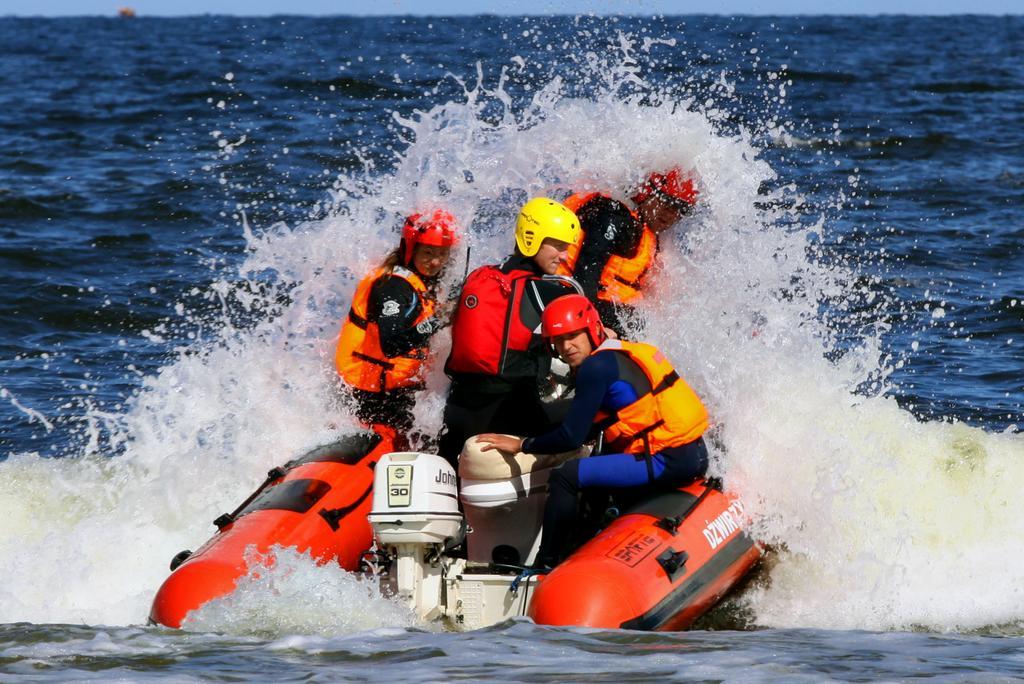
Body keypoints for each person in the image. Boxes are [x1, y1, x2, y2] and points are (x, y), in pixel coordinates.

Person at [476, 293, 710, 568]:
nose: (566, 347)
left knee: (566, 476)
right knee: (597, 462)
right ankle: (592, 538)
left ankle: (545, 564)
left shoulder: (595, 367)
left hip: (667, 461)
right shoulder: (620, 353)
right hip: (695, 454)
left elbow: (571, 437)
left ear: (592, 330)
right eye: (558, 340)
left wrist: (522, 444)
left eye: (573, 336)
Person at [438, 198, 582, 466]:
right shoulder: (550, 290)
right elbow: (593, 339)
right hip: (509, 417)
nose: (564, 256)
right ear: (532, 239)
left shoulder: (477, 277)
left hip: (457, 414)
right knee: (599, 409)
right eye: (559, 247)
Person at [336, 209, 459, 433]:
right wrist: (437, 321)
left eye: (442, 254)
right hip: (371, 395)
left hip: (401, 389)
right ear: (410, 250)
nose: (436, 262)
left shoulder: (426, 280)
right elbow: (391, 345)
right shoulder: (393, 287)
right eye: (428, 253)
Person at [557, 168, 699, 337]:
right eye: (666, 202)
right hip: (568, 296)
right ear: (647, 193)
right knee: (639, 324)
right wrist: (587, 325)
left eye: (680, 209)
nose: (671, 214)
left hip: (604, 306)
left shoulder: (652, 240)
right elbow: (587, 270)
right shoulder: (616, 218)